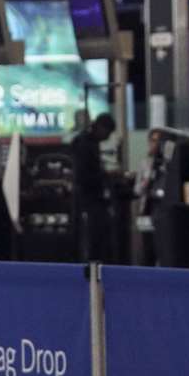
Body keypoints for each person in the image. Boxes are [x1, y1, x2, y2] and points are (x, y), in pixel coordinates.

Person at [72, 112, 117, 263]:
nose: (108, 137)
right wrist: (104, 176)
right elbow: (85, 174)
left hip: (90, 197)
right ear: (101, 128)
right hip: (89, 198)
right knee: (94, 237)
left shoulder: (87, 141)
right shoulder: (85, 144)